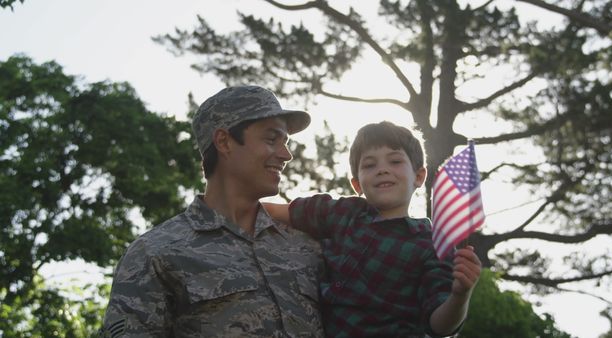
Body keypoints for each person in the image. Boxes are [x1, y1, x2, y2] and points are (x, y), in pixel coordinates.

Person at [101, 85, 324, 337]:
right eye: (271, 139)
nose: (286, 155)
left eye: (285, 142)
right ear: (224, 141)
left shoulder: (308, 246)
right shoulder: (155, 253)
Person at [264, 121, 482, 337]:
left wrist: (460, 294)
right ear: (357, 184)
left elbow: (440, 326)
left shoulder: (431, 243)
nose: (383, 170)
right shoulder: (342, 212)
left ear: (418, 177)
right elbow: (280, 211)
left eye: (395, 161)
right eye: (370, 165)